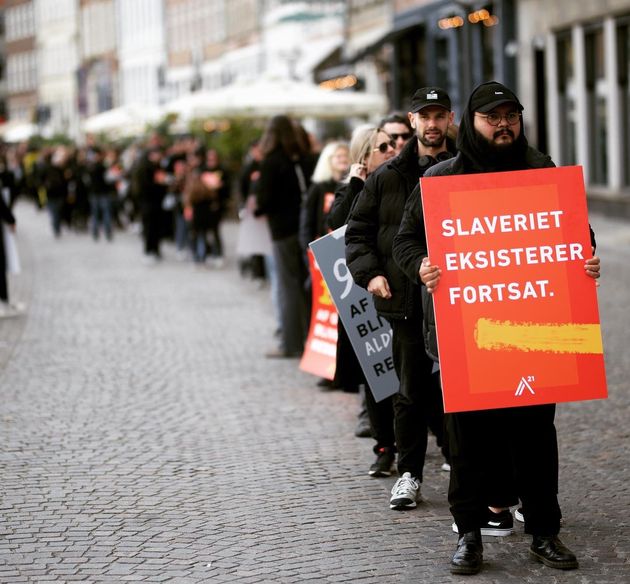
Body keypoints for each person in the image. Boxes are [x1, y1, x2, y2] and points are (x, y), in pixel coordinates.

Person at [392, 81, 601, 575]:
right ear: (472, 123)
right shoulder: (442, 180)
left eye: (511, 115)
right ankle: (468, 535)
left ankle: (544, 533)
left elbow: (577, 234)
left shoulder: (542, 169)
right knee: (468, 443)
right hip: (467, 335)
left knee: (535, 438)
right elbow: (404, 241)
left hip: (535, 330)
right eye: (493, 117)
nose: (504, 124)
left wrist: (587, 258)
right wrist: (421, 264)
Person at [345, 88, 454, 510]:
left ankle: (471, 470)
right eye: (424, 116)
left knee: (465, 390)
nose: (432, 124)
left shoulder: (467, 168)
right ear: (412, 121)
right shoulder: (388, 175)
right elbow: (358, 232)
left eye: (439, 115)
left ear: (450, 119)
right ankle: (409, 473)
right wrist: (370, 274)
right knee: (410, 390)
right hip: (407, 298)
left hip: (462, 298)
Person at [327, 124, 397, 466]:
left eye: (395, 144)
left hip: (396, 285)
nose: (393, 150)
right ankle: (384, 445)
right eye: (384, 146)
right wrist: (355, 182)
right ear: (366, 155)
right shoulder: (351, 188)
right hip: (364, 293)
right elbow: (338, 222)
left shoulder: (398, 179)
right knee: (376, 373)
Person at [256, 115, 312, 358]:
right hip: (304, 226)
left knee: (288, 286)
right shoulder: (303, 159)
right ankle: (309, 337)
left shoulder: (272, 161)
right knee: (304, 285)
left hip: (282, 230)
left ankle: (291, 343)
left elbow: (263, 201)